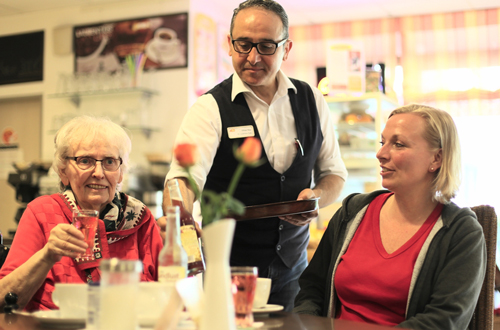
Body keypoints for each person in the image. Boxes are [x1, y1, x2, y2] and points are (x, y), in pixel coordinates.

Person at [161, 0, 347, 312]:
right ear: (229, 44)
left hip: (293, 268)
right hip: (226, 269)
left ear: (286, 49)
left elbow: (334, 174)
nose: (253, 57)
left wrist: (315, 196)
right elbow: (183, 177)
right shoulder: (210, 108)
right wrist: (177, 209)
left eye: (266, 46)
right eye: (244, 44)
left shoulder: (311, 99)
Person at [293, 104, 486, 329]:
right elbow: (310, 289)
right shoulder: (353, 211)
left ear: (437, 159)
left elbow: (444, 320)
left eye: (399, 144)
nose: (381, 154)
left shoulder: (460, 232)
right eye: (383, 142)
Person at [0, 116, 163, 312]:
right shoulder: (41, 213)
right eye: (85, 160)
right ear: (63, 172)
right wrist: (47, 256)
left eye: (110, 161)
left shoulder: (142, 219)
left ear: (120, 173)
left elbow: (173, 297)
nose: (99, 173)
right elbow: (3, 300)